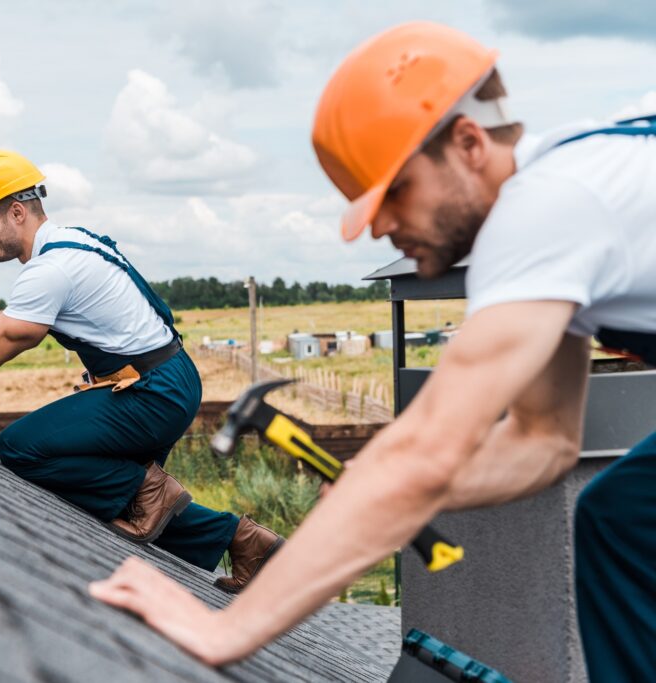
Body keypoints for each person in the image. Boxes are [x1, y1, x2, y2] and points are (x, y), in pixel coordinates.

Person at [89, 22, 656, 680]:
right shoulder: (572, 201)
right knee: (621, 519)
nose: (381, 226)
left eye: (397, 192)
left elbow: (423, 453)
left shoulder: (544, 213)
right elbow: (542, 441)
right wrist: (381, 497)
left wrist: (231, 628)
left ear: (468, 142)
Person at [0, 149, 283, 590]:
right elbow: (15, 327)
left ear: (16, 212)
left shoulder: (51, 269)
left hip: (152, 394)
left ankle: (149, 489)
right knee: (126, 501)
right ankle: (247, 543)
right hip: (168, 380)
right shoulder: (74, 243)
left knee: (23, 447)